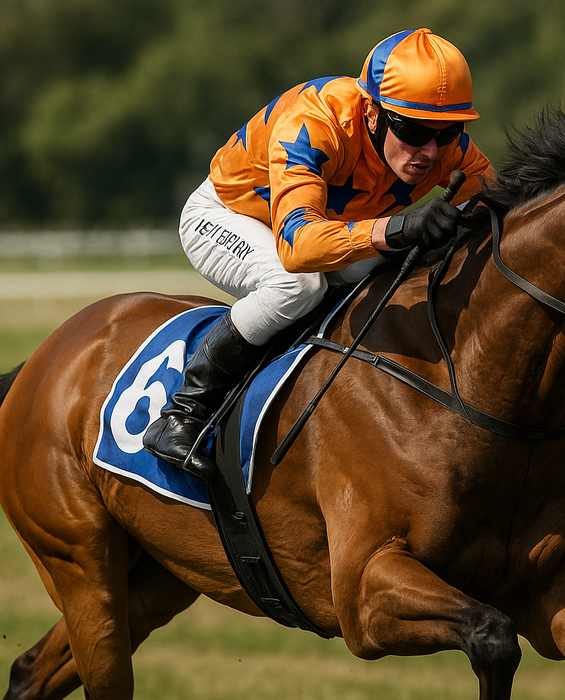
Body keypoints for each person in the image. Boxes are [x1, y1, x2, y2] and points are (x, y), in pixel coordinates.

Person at [143, 28, 494, 479]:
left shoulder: (444, 149)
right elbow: (299, 247)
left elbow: (501, 203)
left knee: (405, 269)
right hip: (230, 216)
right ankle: (183, 413)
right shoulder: (315, 122)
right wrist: (399, 227)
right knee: (298, 285)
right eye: (413, 130)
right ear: (372, 113)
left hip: (322, 228)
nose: (430, 151)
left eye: (448, 132)